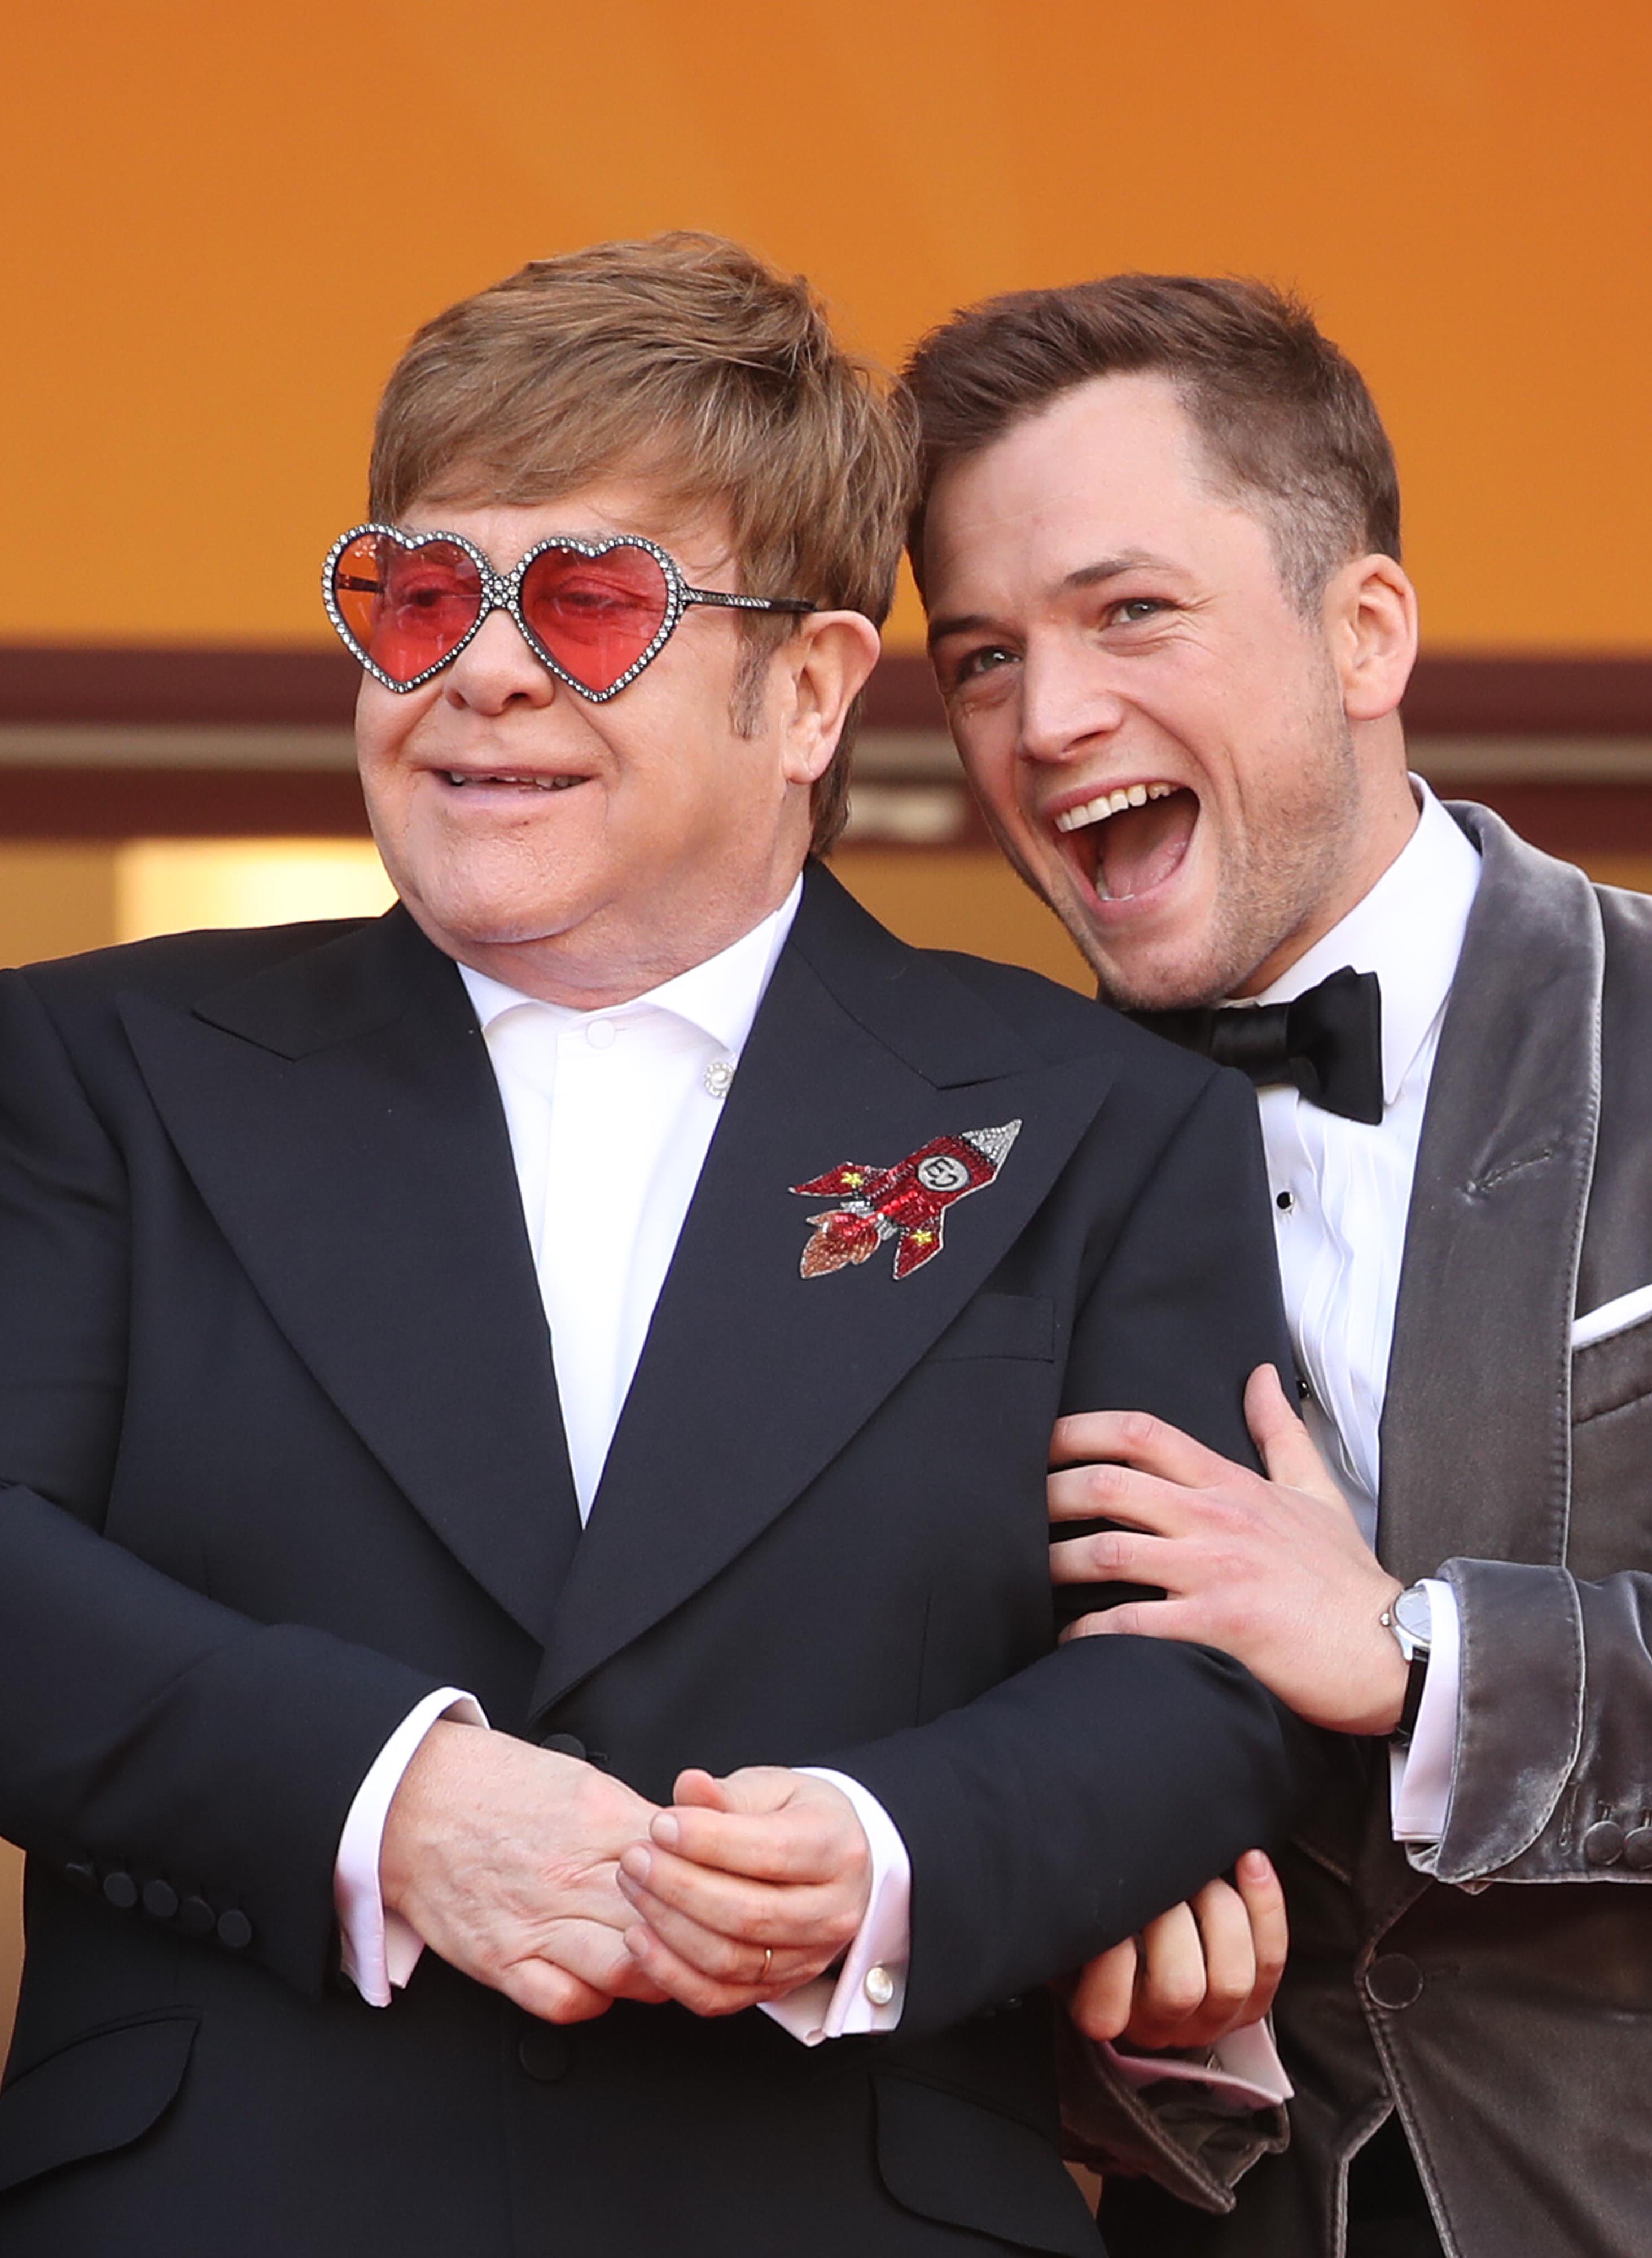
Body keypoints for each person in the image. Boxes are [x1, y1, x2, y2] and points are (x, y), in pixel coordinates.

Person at [0, 237, 1316, 2257]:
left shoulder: (1106, 1121)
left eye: (593, 606)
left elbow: (1198, 1674)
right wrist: (381, 1802)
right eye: (420, 597)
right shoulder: (92, 1065)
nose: (484, 670)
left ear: (805, 692)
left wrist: (886, 1856)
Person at [901, 270, 1652, 2257]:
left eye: (1130, 611)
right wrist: (1140, 2031)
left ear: (1365, 629)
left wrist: (1425, 1659)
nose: (1048, 719)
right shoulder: (938, 1181)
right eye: (979, 656)